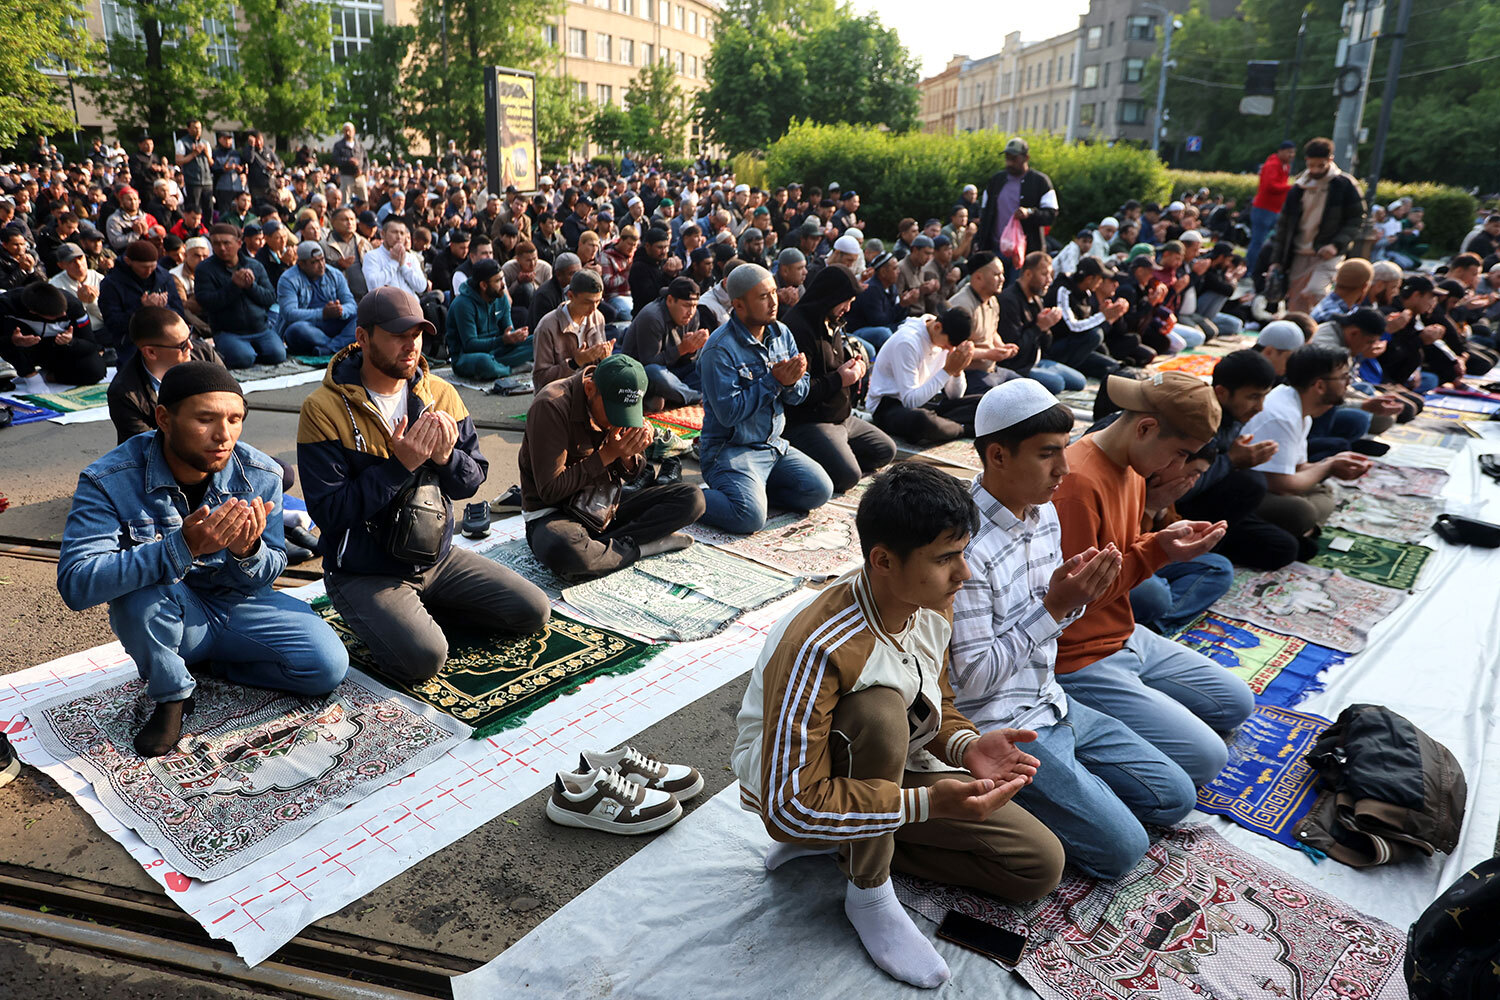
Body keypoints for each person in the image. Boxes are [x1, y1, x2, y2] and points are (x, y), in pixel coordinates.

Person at [730, 461, 1065, 990]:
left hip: (893, 767)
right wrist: (928, 804)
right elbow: (788, 805)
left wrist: (966, 745)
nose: (965, 573)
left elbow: (937, 697)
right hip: (803, 781)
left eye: (963, 553)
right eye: (946, 558)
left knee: (1037, 866)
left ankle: (839, 841)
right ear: (882, 560)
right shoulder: (820, 645)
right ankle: (868, 890)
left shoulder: (930, 602)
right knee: (879, 713)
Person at [950, 379, 1197, 880]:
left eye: (1064, 451)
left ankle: (1068, 798)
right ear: (997, 455)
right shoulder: (963, 546)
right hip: (1003, 724)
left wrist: (1073, 599)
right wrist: (1055, 607)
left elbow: (1059, 620)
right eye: (1047, 455)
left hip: (1053, 697)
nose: (1063, 469)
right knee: (1123, 850)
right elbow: (972, 681)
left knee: (1176, 797)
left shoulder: (1043, 515)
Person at [59, 361, 349, 756]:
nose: (223, 435)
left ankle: (212, 664)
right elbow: (77, 583)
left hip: (238, 601)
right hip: (169, 610)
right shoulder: (109, 479)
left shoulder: (261, 474)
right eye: (206, 419)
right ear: (164, 418)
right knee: (137, 595)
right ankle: (173, 695)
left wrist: (247, 551)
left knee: (327, 667)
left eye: (235, 419)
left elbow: (274, 563)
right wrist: (182, 547)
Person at [298, 286, 550, 682]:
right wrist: (400, 465)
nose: (411, 345)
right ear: (362, 338)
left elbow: (474, 479)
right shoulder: (324, 409)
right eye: (398, 334)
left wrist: (446, 458)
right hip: (366, 570)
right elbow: (330, 512)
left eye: (416, 334)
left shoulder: (440, 394)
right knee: (425, 659)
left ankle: (423, 606)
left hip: (437, 557)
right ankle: (395, 616)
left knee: (533, 610)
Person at [1052, 373, 1253, 786]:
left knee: (1237, 702)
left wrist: (1160, 541)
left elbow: (1126, 550)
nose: (1178, 470)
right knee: (1205, 760)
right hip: (1077, 657)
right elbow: (1075, 601)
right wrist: (1157, 551)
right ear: (1145, 427)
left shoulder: (1131, 468)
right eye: (1179, 454)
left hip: (1124, 633)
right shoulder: (1076, 483)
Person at [519, 354, 705, 580]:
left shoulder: (619, 408)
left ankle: (603, 551)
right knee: (567, 552)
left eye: (626, 414)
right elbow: (550, 491)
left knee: (692, 498)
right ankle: (640, 548)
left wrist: (629, 454)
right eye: (614, 413)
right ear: (590, 389)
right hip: (554, 514)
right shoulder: (551, 405)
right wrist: (608, 454)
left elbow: (634, 473)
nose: (618, 421)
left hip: (603, 505)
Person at [696, 263, 834, 534]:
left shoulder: (782, 333)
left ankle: (753, 490)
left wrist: (792, 383)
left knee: (819, 490)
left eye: (773, 293)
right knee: (748, 518)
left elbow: (799, 396)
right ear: (739, 305)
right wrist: (774, 382)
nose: (774, 302)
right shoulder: (719, 349)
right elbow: (728, 413)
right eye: (763, 296)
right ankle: (683, 497)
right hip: (731, 451)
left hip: (772, 446)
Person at [1171, 349, 1301, 569]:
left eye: (1264, 397)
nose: (1259, 407)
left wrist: (1234, 455)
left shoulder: (1234, 416)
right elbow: (1180, 487)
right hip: (1180, 509)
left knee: (1286, 548)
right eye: (1253, 397)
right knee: (1251, 483)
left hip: (1216, 503)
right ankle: (1195, 552)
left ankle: (1214, 544)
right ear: (1221, 393)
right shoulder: (1199, 421)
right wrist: (1231, 460)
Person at [782, 265, 896, 492]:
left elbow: (835, 366)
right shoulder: (798, 328)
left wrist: (854, 365)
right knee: (848, 476)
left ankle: (831, 456)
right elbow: (796, 393)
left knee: (886, 450)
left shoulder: (832, 321)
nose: (848, 308)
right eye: (846, 301)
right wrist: (840, 379)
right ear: (831, 296)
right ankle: (814, 459)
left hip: (842, 418)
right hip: (809, 421)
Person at [1242, 344, 1373, 540]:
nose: (1348, 384)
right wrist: (1329, 466)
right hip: (1244, 490)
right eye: (1344, 377)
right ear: (1319, 386)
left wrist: (1334, 463)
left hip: (1271, 484)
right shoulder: (1282, 415)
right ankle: (1299, 531)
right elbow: (1283, 484)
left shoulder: (1300, 410)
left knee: (1325, 491)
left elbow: (1299, 467)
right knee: (1302, 512)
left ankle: (1300, 531)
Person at [1268, 137, 1366, 313]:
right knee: (1296, 305)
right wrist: (1277, 260)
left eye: (1320, 165)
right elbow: (1283, 225)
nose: (1315, 170)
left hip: (1328, 252)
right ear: (1306, 161)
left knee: (1316, 291)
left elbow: (1356, 218)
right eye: (1311, 165)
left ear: (1330, 160)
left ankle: (1332, 324)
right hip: (1299, 251)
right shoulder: (1299, 187)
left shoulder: (1344, 185)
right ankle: (1303, 336)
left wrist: (1336, 245)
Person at [867, 307, 987, 444]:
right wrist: (947, 371)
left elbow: (955, 396)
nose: (950, 350)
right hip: (892, 406)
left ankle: (947, 427)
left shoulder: (943, 340)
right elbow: (910, 401)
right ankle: (964, 429)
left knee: (985, 402)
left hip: (930, 402)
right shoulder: (907, 342)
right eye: (949, 345)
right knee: (921, 420)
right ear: (937, 327)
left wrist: (957, 372)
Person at [107, 305, 223, 443]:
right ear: (151, 352)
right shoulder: (125, 393)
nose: (191, 347)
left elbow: (237, 403)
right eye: (182, 345)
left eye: (190, 335)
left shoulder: (204, 354)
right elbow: (145, 445)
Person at [195, 224, 283, 368]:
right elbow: (206, 302)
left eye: (226, 243)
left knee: (278, 355)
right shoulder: (205, 269)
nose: (222, 248)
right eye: (216, 244)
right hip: (228, 332)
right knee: (243, 359)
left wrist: (251, 287)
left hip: (260, 329)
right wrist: (234, 286)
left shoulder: (254, 265)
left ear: (238, 243)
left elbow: (270, 298)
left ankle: (254, 350)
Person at [973, 137, 1057, 280]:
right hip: (995, 249)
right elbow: (985, 213)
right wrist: (979, 242)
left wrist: (1030, 212)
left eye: (1014, 158)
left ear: (1026, 158)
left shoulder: (1040, 182)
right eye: (1007, 157)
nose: (1009, 162)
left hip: (1024, 253)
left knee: (1015, 292)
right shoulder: (996, 181)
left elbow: (1051, 213)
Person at [997, 251, 1079, 393]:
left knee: (1079, 382)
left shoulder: (1036, 298)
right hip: (1017, 366)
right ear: (1028, 274)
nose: (1049, 280)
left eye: (1050, 274)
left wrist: (1047, 327)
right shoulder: (1009, 301)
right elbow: (1013, 350)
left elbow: (1046, 346)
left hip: (1036, 360)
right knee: (1057, 383)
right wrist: (1039, 327)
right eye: (1044, 274)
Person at [619, 275, 705, 407]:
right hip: (641, 374)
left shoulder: (694, 315)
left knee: (707, 363)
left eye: (694, 306)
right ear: (670, 300)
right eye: (687, 306)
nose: (691, 312)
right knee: (655, 374)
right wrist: (681, 349)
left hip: (674, 374)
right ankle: (694, 396)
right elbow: (648, 363)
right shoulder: (652, 317)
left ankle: (675, 395)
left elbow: (687, 361)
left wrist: (693, 348)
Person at [0, 282, 108, 386]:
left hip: (58, 348)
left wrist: (71, 342)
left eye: (64, 310)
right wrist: (12, 341)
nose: (63, 314)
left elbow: (90, 343)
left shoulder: (73, 306)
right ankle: (29, 375)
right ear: (33, 312)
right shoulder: (6, 304)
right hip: (26, 350)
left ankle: (46, 376)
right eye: (56, 315)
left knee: (95, 369)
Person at [446, 258, 533, 381]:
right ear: (483, 285)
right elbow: (470, 345)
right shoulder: (463, 305)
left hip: (497, 351)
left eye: (502, 278)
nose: (503, 285)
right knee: (484, 362)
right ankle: (510, 369)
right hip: (468, 357)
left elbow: (508, 330)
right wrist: (503, 340)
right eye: (498, 281)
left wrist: (516, 336)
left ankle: (499, 367)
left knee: (537, 341)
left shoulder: (501, 297)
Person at [946, 252, 1021, 393]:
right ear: (978, 277)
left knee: (1028, 388)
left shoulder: (992, 299)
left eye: (1002, 274)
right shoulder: (961, 306)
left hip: (993, 369)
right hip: (968, 374)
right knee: (1002, 397)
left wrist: (1003, 347)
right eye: (996, 275)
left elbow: (992, 333)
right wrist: (988, 354)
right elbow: (954, 350)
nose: (1002, 279)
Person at [1042, 256, 1127, 380]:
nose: (1100, 282)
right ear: (1089, 279)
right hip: (1056, 346)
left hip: (1075, 347)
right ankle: (1068, 370)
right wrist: (1103, 316)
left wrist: (1103, 315)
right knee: (1095, 335)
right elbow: (1073, 326)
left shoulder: (1086, 293)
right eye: (1099, 278)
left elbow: (1086, 323)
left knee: (1113, 367)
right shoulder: (1063, 290)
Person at [99, 239, 186, 353]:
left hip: (166, 337)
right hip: (132, 342)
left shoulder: (164, 277)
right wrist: (143, 309)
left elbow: (179, 312)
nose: (149, 271)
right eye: (144, 267)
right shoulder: (111, 283)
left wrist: (162, 309)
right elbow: (113, 323)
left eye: (153, 267)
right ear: (128, 261)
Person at [532, 268, 612, 390]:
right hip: (559, 395)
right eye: (587, 302)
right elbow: (540, 380)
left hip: (589, 390)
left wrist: (605, 359)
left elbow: (598, 370)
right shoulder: (547, 327)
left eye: (598, 302)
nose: (593, 309)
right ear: (570, 296)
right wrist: (575, 363)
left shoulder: (597, 317)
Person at [278, 241, 357, 356]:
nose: (321, 265)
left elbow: (352, 304)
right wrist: (323, 314)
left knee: (362, 317)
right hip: (309, 327)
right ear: (301, 264)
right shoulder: (288, 279)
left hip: (334, 324)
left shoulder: (335, 274)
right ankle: (339, 345)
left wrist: (341, 310)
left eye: (322, 259)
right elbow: (289, 314)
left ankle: (330, 348)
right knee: (296, 330)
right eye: (314, 262)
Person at [1247, 141, 1295, 272]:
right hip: (1264, 209)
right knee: (1258, 243)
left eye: (1293, 152)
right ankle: (1251, 272)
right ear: (1280, 151)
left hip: (1273, 210)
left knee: (1266, 242)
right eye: (1289, 152)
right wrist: (1290, 187)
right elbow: (1271, 186)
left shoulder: (1283, 166)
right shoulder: (1273, 165)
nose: (1291, 155)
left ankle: (1256, 270)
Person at [49, 243, 104, 333]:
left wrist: (92, 302)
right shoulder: (55, 285)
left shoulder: (99, 279)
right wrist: (82, 303)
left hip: (104, 328)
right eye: (71, 261)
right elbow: (62, 321)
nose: (78, 264)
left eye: (80, 258)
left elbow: (109, 316)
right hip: (77, 333)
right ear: (61, 265)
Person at [174, 120, 214, 219]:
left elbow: (211, 163)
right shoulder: (182, 142)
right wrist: (194, 154)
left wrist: (206, 154)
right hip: (193, 180)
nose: (198, 130)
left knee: (209, 208)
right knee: (195, 207)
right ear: (188, 129)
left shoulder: (205, 143)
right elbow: (179, 161)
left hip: (207, 180)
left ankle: (208, 229)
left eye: (199, 128)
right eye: (195, 128)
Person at [330, 122, 365, 197]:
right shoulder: (338, 145)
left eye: (349, 130)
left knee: (363, 199)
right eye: (345, 131)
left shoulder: (359, 145)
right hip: (346, 176)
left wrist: (364, 170)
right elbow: (335, 159)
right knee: (345, 200)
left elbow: (365, 159)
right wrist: (348, 161)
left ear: (354, 131)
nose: (348, 133)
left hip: (360, 177)